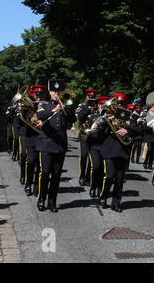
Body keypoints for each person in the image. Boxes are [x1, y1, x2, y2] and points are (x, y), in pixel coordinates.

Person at [36, 80, 76, 212]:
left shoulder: (65, 106)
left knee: (56, 175)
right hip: (46, 143)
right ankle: (41, 199)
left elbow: (73, 120)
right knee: (45, 172)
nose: (56, 94)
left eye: (58, 92)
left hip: (60, 145)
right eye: (54, 91)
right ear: (50, 92)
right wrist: (54, 109)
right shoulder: (44, 105)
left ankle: (52, 201)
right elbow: (40, 115)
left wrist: (64, 107)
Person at [98, 95, 134, 212]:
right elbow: (99, 131)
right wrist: (106, 120)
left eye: (121, 103)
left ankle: (116, 203)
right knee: (109, 176)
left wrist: (127, 130)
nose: (119, 106)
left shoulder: (129, 118)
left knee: (119, 179)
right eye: (117, 103)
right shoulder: (107, 117)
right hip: (109, 150)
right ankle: (103, 196)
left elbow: (139, 131)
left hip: (122, 151)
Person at [23, 85, 47, 196]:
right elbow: (22, 117)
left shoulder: (47, 105)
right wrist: (25, 112)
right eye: (37, 95)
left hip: (43, 137)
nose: (38, 97)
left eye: (40, 95)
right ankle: (28, 183)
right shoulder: (29, 105)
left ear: (44, 95)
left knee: (40, 164)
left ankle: (37, 186)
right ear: (34, 95)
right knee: (31, 161)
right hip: (31, 137)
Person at [76, 89, 99, 186]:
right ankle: (81, 176)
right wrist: (88, 109)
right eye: (90, 97)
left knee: (92, 157)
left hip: (94, 135)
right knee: (84, 155)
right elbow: (80, 118)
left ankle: (88, 177)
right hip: (84, 134)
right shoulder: (82, 106)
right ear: (86, 97)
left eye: (93, 97)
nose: (91, 98)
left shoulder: (98, 107)